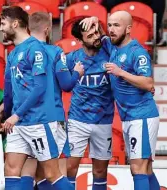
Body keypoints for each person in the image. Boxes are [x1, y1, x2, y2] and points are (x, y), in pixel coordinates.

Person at [81, 12, 160, 190]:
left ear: (129, 29)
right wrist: (95, 20)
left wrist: (121, 72)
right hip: (129, 117)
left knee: (137, 167)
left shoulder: (137, 52)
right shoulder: (113, 45)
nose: (111, 30)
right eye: (109, 25)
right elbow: (99, 36)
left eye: (116, 25)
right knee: (144, 169)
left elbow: (148, 82)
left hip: (142, 116)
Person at [0, 6, 74, 190]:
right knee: (10, 169)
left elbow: (40, 87)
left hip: (40, 121)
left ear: (15, 24)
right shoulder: (12, 54)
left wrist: (15, 115)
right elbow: (8, 92)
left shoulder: (36, 50)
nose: (0, 28)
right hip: (19, 123)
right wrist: (7, 113)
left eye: (2, 23)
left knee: (51, 174)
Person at [18, 12, 85, 190]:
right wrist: (77, 72)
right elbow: (66, 85)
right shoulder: (55, 52)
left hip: (25, 118)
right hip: (51, 118)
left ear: (27, 29)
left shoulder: (19, 52)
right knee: (53, 172)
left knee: (30, 170)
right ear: (47, 29)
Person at [63, 19, 115, 190]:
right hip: (78, 120)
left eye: (97, 33)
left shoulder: (109, 53)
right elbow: (61, 84)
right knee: (70, 168)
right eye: (90, 35)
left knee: (100, 171)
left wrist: (97, 22)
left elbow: (115, 41)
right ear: (79, 40)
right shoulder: (72, 59)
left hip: (104, 120)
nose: (96, 37)